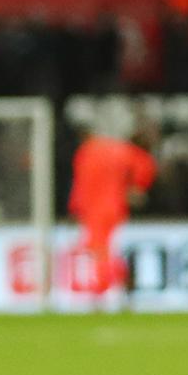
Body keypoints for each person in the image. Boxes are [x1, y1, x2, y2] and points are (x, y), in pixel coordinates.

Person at [68, 119, 156, 299]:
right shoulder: (119, 149)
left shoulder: (85, 152)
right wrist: (138, 187)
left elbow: (79, 184)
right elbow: (145, 164)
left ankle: (101, 289)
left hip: (93, 208)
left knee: (99, 248)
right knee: (104, 248)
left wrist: (74, 207)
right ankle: (123, 280)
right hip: (115, 206)